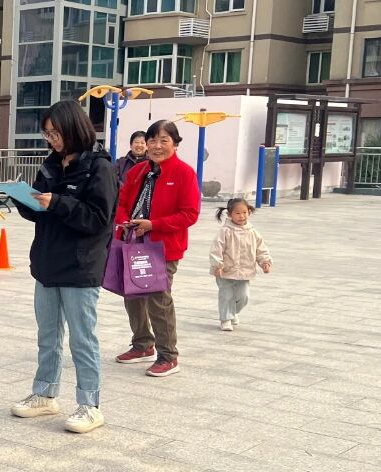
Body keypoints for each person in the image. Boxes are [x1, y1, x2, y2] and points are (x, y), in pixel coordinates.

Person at [10, 100, 116, 434]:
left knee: (82, 339)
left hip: (80, 266)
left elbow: (98, 218)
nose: (52, 140)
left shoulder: (99, 167)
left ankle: (90, 405)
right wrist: (23, 199)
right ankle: (44, 393)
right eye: (48, 134)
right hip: (47, 261)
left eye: (56, 133)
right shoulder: (51, 164)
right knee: (48, 335)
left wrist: (57, 202)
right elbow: (40, 208)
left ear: (73, 128)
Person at [113, 119, 200, 377]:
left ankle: (168, 356)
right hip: (133, 242)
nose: (157, 146)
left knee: (158, 300)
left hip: (163, 247)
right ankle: (142, 344)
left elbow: (190, 214)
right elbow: (121, 202)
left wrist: (154, 225)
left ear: (175, 144)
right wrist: (124, 221)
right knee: (132, 295)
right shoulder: (138, 171)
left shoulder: (184, 173)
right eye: (152, 140)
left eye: (164, 140)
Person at [209, 196, 272, 331]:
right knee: (226, 295)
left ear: (249, 212)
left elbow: (260, 249)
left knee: (244, 297)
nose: (241, 216)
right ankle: (225, 319)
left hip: (245, 270)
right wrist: (217, 265)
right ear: (229, 214)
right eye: (237, 213)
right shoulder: (225, 231)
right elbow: (216, 249)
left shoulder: (252, 232)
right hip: (226, 270)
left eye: (244, 212)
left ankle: (232, 312)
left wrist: (265, 262)